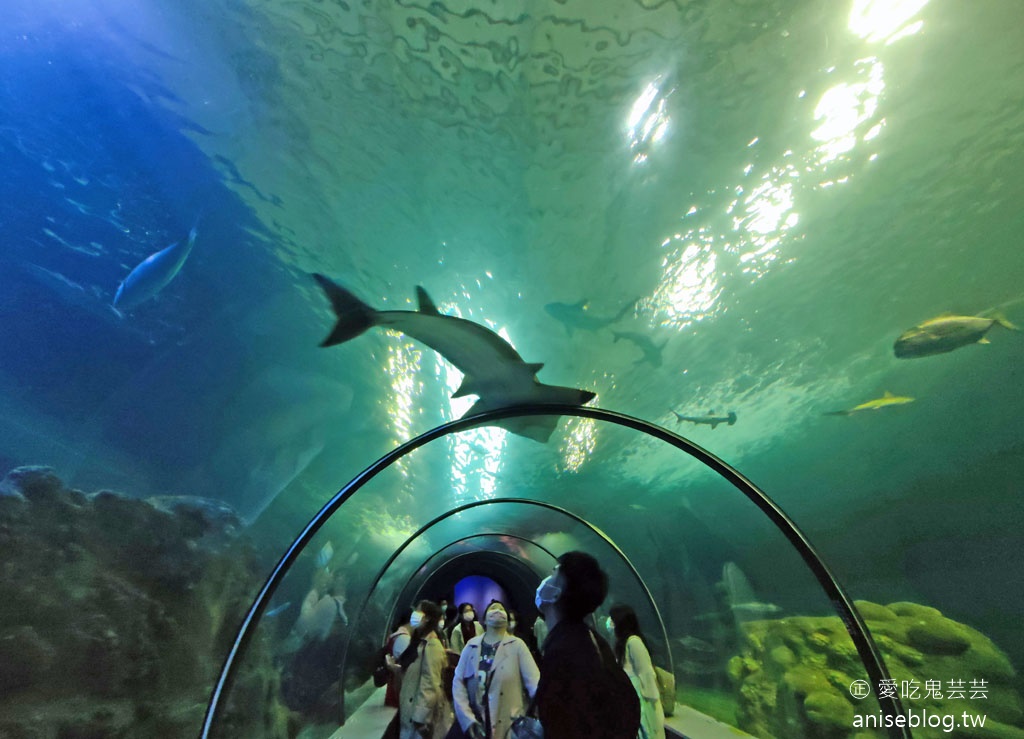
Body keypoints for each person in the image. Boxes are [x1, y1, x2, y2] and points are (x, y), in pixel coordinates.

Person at [533, 551, 640, 739]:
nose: (547, 578)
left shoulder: (564, 652)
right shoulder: (590, 640)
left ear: (557, 592)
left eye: (554, 572)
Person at [452, 600, 540, 739]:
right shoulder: (471, 646)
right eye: (493, 608)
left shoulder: (518, 646)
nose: (497, 610)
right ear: (484, 619)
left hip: (509, 726)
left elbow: (534, 683)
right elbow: (458, 683)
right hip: (477, 724)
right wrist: (467, 720)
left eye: (501, 608)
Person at [388, 600, 453, 739]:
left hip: (418, 719)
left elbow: (430, 682)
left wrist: (420, 719)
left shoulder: (432, 645)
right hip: (410, 713)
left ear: (427, 617)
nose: (414, 615)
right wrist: (395, 669)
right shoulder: (419, 642)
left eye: (418, 611)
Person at [609, 604, 665, 739]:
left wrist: (652, 703)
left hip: (643, 700)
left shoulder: (634, 642)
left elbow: (646, 672)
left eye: (612, 620)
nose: (609, 623)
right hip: (632, 699)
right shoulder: (622, 644)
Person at [384, 609, 413, 709]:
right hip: (399, 684)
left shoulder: (397, 635)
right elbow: (407, 663)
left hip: (396, 683)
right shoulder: (403, 638)